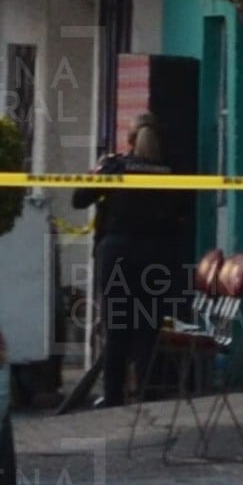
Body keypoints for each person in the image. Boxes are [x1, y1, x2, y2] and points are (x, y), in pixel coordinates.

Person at [73, 113, 183, 407]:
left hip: (118, 253)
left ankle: (113, 398)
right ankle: (147, 396)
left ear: (131, 140)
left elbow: (79, 198)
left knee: (118, 328)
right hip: (156, 255)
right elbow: (182, 214)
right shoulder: (171, 171)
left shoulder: (116, 166)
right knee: (148, 329)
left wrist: (97, 172)